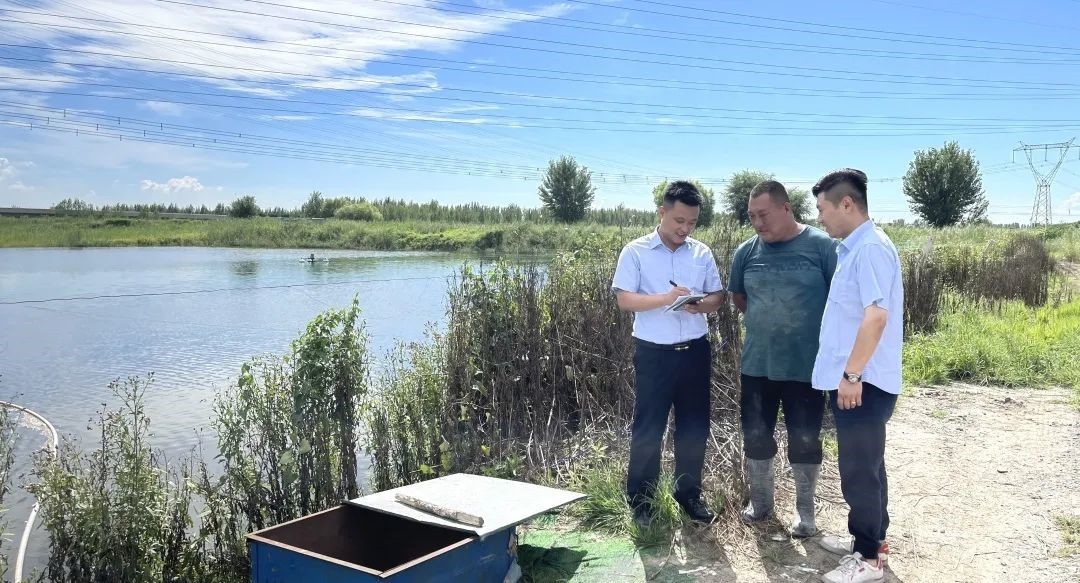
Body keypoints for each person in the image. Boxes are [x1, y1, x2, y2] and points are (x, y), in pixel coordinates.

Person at [611, 180, 726, 527]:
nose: (685, 228)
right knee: (649, 426)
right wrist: (667, 298)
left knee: (694, 426)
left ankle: (688, 494)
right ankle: (641, 500)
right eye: (679, 220)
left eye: (692, 222)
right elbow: (624, 300)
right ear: (662, 212)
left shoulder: (701, 252)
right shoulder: (635, 251)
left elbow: (717, 297)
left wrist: (699, 305)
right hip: (654, 354)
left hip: (695, 352)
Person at [728, 180, 837, 538]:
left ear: (787, 209)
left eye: (764, 215)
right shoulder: (746, 253)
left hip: (806, 366)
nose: (757, 223)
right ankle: (761, 504)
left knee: (805, 439)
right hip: (757, 365)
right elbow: (740, 299)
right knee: (756, 435)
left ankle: (805, 512)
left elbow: (841, 301)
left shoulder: (823, 248)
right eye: (751, 216)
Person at [811, 169, 904, 583]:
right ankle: (869, 541)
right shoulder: (856, 248)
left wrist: (852, 374)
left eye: (822, 209)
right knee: (868, 464)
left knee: (859, 468)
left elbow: (876, 317)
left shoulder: (869, 249)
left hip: (863, 381)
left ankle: (868, 559)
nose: (819, 218)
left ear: (846, 204)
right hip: (860, 378)